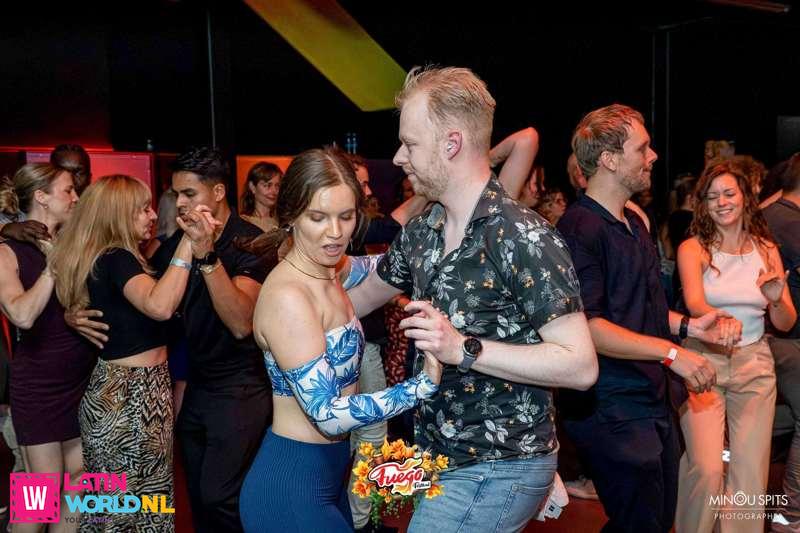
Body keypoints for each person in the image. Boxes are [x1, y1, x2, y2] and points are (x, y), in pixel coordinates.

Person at [346, 66, 598, 533]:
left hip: (502, 462)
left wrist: (462, 347)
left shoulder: (522, 235)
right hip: (437, 456)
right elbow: (358, 300)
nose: (399, 158)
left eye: (410, 144)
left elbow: (580, 365)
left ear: (452, 144)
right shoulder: (422, 232)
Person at [67, 147, 273, 532]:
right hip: (101, 392)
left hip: (225, 388)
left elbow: (239, 323)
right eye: (173, 195)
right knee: (72, 486)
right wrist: (71, 313)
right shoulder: (135, 254)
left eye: (187, 194)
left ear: (218, 192)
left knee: (176, 497)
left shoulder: (248, 242)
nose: (175, 205)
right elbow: (142, 300)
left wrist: (205, 255)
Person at [238, 147, 442, 533]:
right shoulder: (288, 297)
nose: (335, 232)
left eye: (346, 216)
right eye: (318, 217)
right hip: (289, 488)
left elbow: (382, 268)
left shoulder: (329, 269)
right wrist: (419, 388)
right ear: (291, 216)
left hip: (329, 478)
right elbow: (328, 416)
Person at [557, 104, 734, 533]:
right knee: (641, 523)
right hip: (612, 404)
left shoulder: (634, 222)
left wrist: (689, 327)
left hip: (651, 396)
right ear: (609, 159)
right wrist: (674, 354)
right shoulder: (580, 229)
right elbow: (589, 326)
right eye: (643, 148)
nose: (652, 156)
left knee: (655, 519)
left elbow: (641, 308)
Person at [51, 174, 215, 532]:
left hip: (126, 390)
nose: (153, 215)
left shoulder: (122, 257)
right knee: (51, 489)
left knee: (112, 503)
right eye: (143, 209)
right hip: (104, 394)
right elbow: (22, 313)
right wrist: (189, 243)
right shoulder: (114, 257)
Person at [676, 159, 796, 533]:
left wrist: (775, 299)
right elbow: (695, 303)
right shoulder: (693, 248)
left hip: (754, 363)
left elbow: (786, 321)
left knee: (749, 475)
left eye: (729, 193)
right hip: (703, 361)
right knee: (707, 469)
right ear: (703, 204)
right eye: (712, 196)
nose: (722, 202)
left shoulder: (766, 248)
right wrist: (718, 319)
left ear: (745, 196)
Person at [0, 164, 95, 533]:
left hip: (79, 384)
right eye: (67, 190)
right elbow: (22, 314)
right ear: (41, 196)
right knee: (41, 492)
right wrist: (52, 266)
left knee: (79, 479)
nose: (75, 197)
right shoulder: (7, 252)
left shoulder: (72, 244)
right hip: (39, 386)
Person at [762, 152, 800, 532]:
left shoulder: (771, 214)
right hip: (784, 341)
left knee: (775, 420)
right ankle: (791, 516)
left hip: (771, 340)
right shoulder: (790, 221)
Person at [240, 162, 282, 232]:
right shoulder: (243, 222)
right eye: (267, 185)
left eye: (277, 186)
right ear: (252, 187)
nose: (274, 191)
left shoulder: (282, 222)